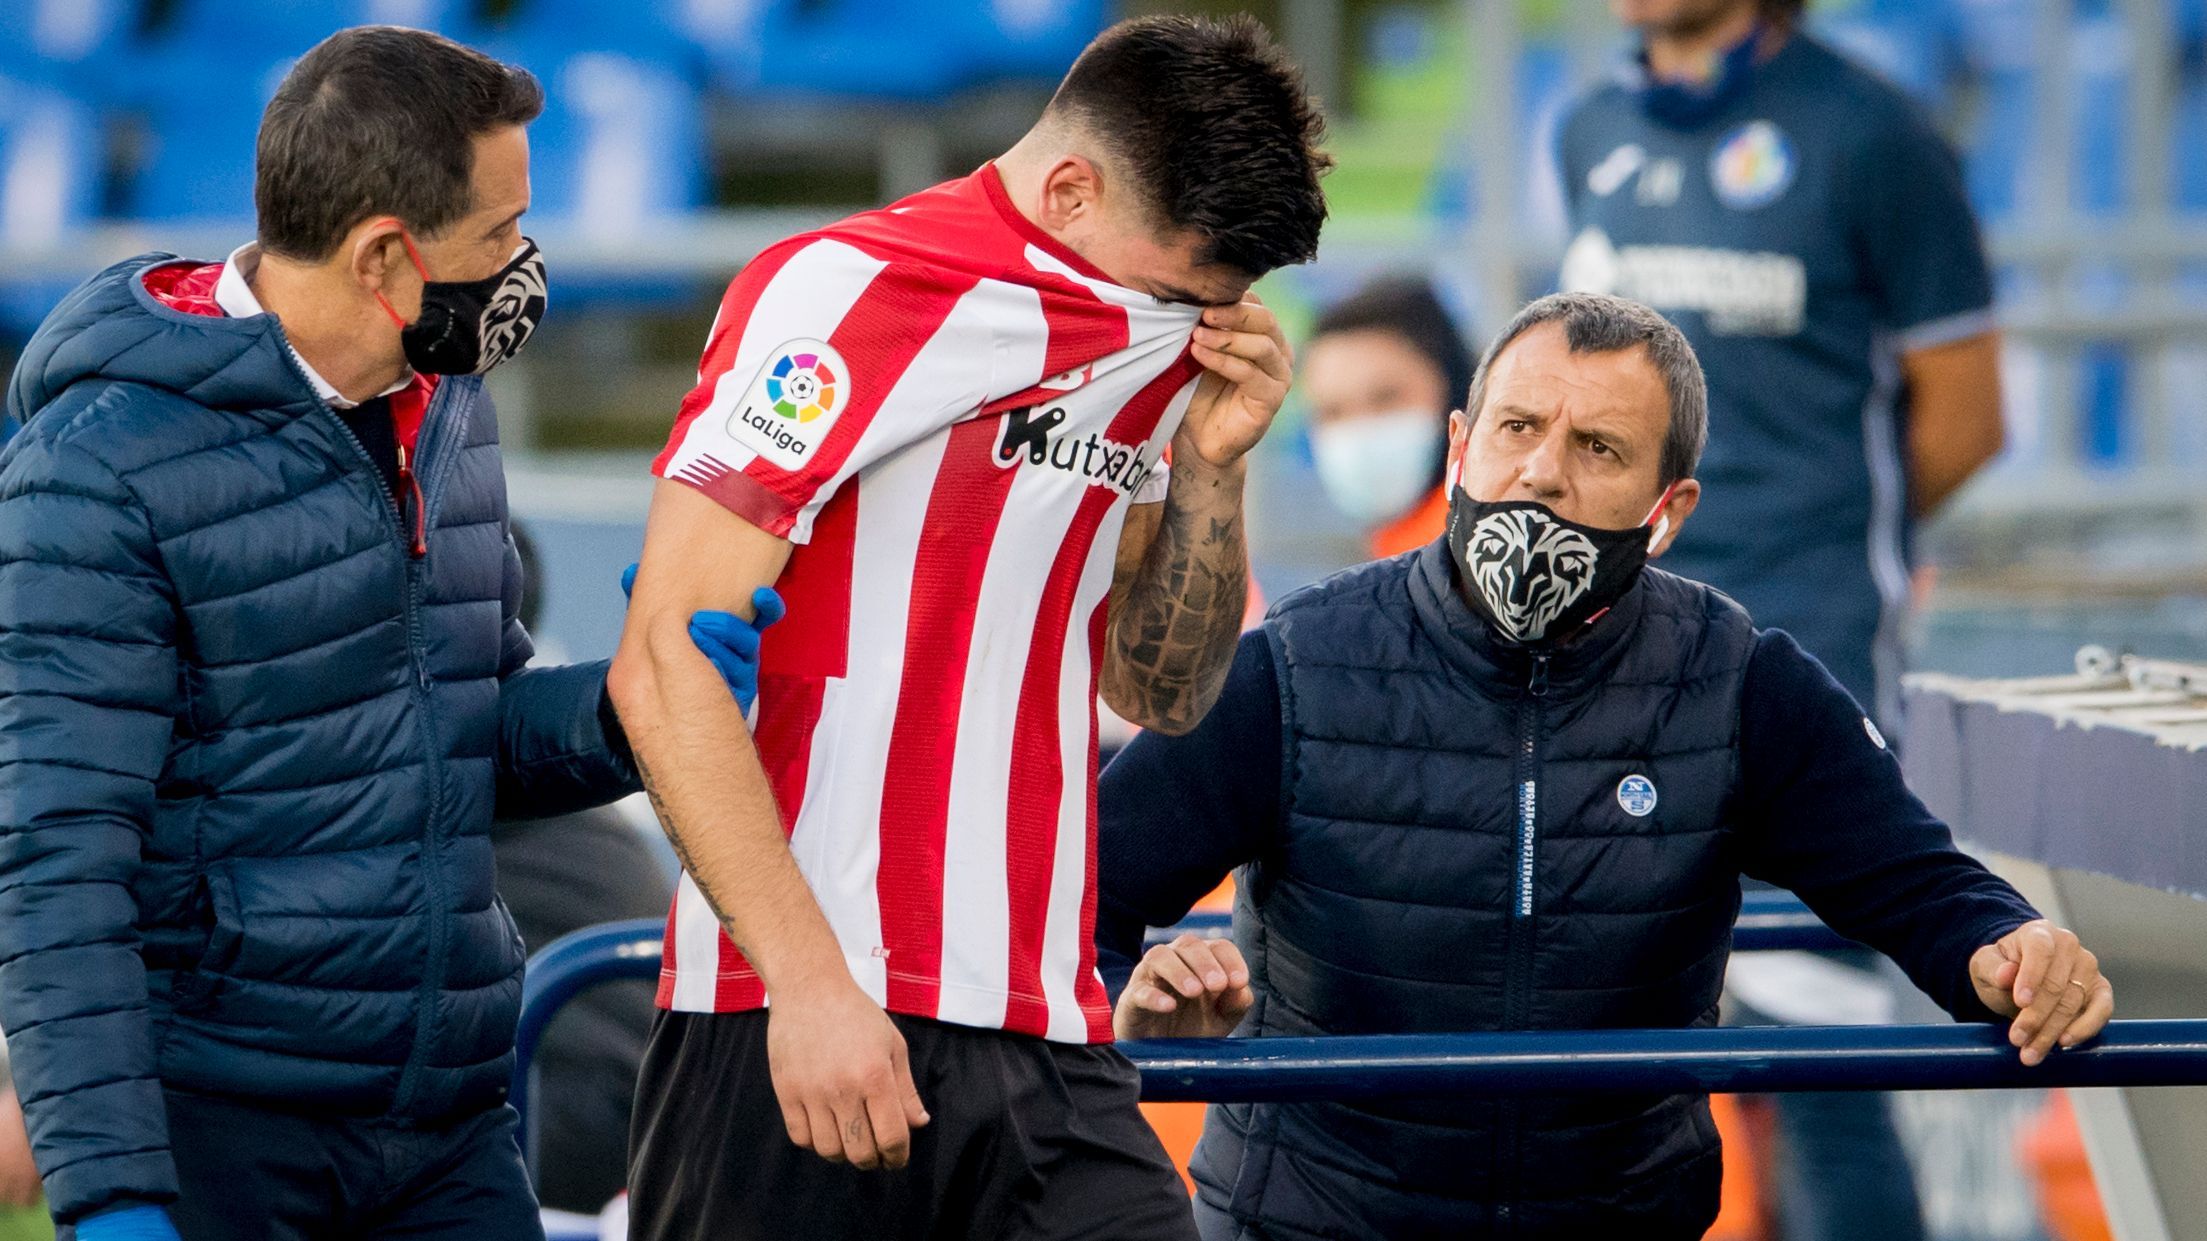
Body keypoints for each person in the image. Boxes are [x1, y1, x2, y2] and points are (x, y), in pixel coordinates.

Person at [1089, 293, 2112, 1240]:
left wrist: (2011, 948)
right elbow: (1072, 902)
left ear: (1669, 507)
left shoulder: (1737, 678)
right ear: (1460, 445)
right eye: (1517, 427)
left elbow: (1920, 887)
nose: (1542, 472)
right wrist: (1136, 993)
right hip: (1308, 1223)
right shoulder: (1295, 665)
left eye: (1597, 446)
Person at [0, 28, 748, 1241]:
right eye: (501, 232)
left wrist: (638, 699)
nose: (524, 264)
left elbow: (467, 732)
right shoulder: (94, 470)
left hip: (446, 1117)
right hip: (221, 1131)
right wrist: (112, 1191)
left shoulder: (447, 403)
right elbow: (58, 857)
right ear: (385, 258)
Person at [611, 15, 1329, 1240]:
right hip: (795, 1010)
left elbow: (1158, 693)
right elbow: (663, 660)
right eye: (1173, 292)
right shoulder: (839, 292)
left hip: (1045, 1020)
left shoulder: (1157, 338)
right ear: (1068, 189)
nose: (1189, 325)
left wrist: (1212, 468)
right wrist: (808, 985)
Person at [1553, 3, 2007, 1232]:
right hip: (1617, 640)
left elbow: (1965, 417)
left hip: (1811, 646)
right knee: (1619, 1061)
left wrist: (1817, 537)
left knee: (1817, 1060)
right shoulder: (1585, 126)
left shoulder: (1874, 134)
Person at [1300, 276, 1473, 558]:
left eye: (1385, 398)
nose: (1360, 431)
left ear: (1455, 390)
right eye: (1332, 411)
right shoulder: (1401, 553)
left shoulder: (1479, 548)